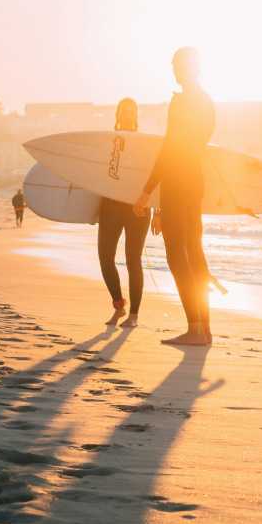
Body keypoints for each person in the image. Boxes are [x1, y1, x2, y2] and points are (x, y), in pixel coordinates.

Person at [133, 49, 214, 346]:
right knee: (195, 251)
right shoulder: (207, 101)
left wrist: (147, 193)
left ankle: (195, 328)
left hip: (177, 182)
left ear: (187, 68)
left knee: (177, 254)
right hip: (195, 180)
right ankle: (204, 328)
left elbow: (169, 149)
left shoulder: (181, 103)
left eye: (178, 66)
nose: (175, 71)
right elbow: (199, 144)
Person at [98, 98, 151, 327]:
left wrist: (159, 211)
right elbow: (96, 175)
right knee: (105, 257)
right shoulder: (107, 142)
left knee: (133, 260)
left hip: (137, 207)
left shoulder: (145, 144)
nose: (128, 115)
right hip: (110, 205)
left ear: (136, 115)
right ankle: (119, 305)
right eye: (124, 111)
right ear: (118, 114)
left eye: (132, 111)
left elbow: (155, 177)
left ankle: (134, 315)